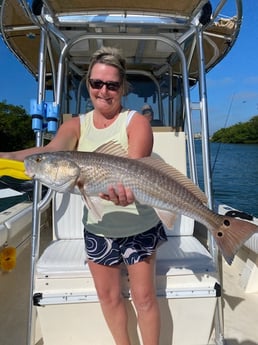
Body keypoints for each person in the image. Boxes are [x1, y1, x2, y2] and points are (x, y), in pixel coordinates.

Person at [0, 47, 167, 345]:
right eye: (96, 83)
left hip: (138, 228)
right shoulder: (75, 125)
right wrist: (7, 155)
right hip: (98, 229)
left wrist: (125, 192)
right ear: (88, 84)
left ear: (122, 87)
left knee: (143, 299)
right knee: (108, 297)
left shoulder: (136, 122)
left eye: (112, 85)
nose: (103, 91)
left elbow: (133, 168)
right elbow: (50, 153)